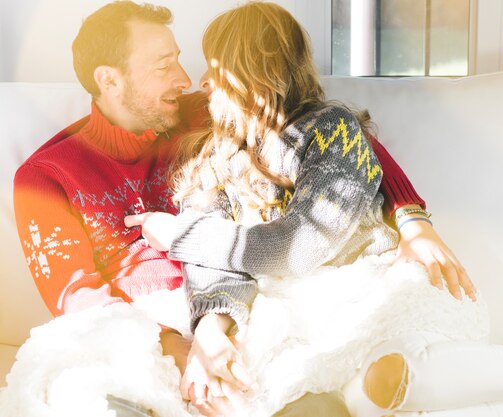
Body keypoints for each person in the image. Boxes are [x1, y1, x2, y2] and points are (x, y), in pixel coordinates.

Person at [126, 3, 503, 417]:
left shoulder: (331, 129)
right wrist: (212, 326)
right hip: (299, 321)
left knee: (400, 371)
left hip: (377, 291)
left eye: (215, 68)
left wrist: (175, 233)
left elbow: (294, 249)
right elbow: (214, 268)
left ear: (249, 70)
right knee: (373, 397)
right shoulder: (205, 158)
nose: (203, 83)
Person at [12, 1, 471, 415]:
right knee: (73, 387)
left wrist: (412, 220)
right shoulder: (47, 176)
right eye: (163, 65)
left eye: (178, 58)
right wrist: (181, 349)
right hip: (156, 329)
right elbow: (78, 300)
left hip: (245, 301)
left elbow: (341, 139)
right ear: (109, 79)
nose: (186, 80)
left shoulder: (195, 113)